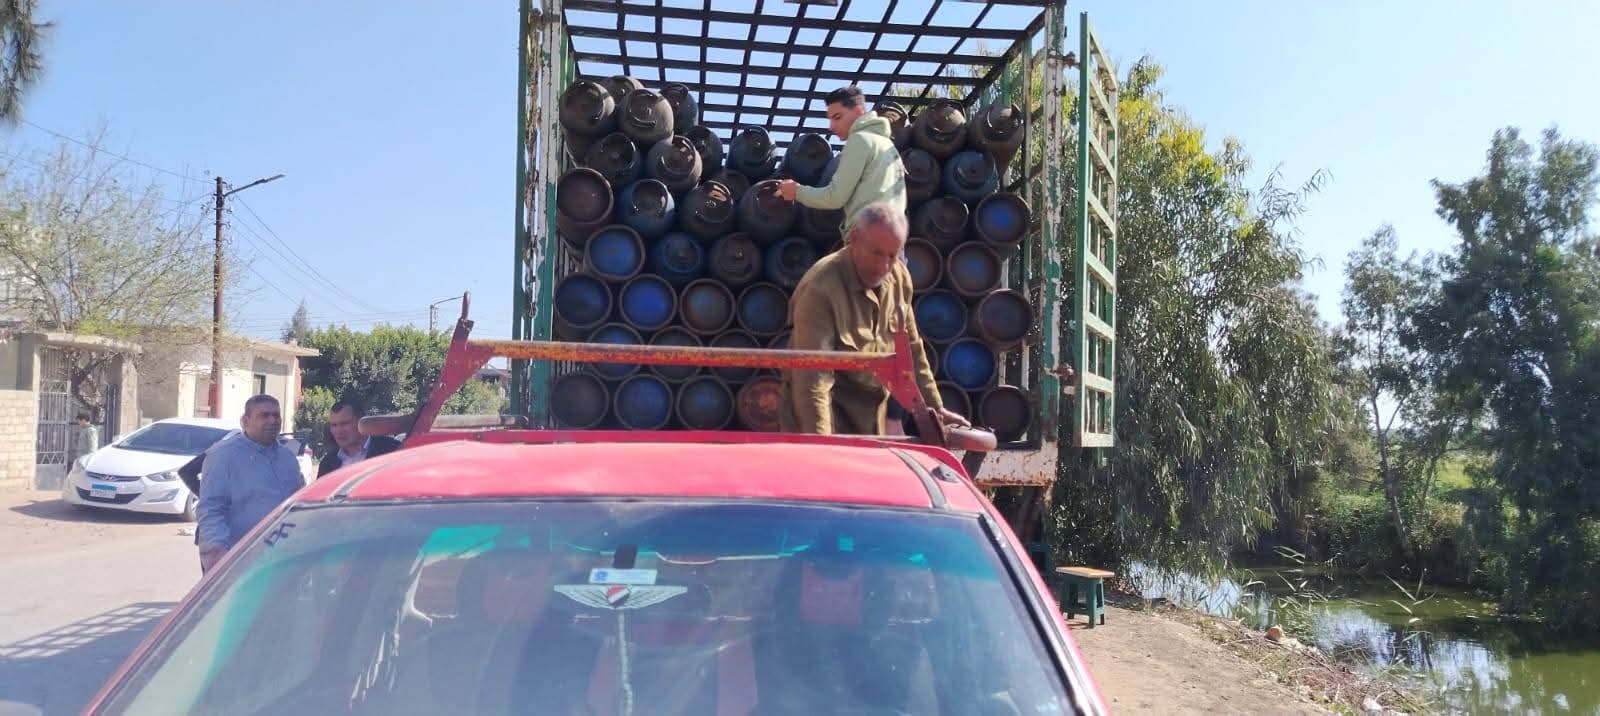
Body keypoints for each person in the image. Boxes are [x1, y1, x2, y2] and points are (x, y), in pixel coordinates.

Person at [780, 203, 969, 435]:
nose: (884, 266)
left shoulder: (899, 278)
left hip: (872, 420)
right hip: (823, 419)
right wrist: (822, 444)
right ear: (854, 238)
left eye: (892, 255)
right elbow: (813, 381)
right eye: (876, 253)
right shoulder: (820, 289)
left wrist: (935, 409)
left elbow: (910, 349)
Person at [775, 85, 906, 235]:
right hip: (893, 236)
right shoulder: (887, 146)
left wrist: (797, 191)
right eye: (830, 119)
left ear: (858, 111)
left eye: (837, 117)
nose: (831, 127)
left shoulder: (860, 140)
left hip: (868, 234)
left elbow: (835, 197)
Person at [195, 395, 304, 573]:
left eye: (276, 415)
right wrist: (218, 559)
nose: (272, 421)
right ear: (245, 421)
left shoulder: (288, 458)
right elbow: (211, 510)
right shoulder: (223, 456)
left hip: (284, 559)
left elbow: (299, 503)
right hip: (240, 563)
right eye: (264, 415)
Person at [317, 399, 402, 478]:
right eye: (334, 425)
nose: (339, 431)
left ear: (362, 423)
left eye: (345, 424)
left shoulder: (391, 451)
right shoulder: (328, 463)